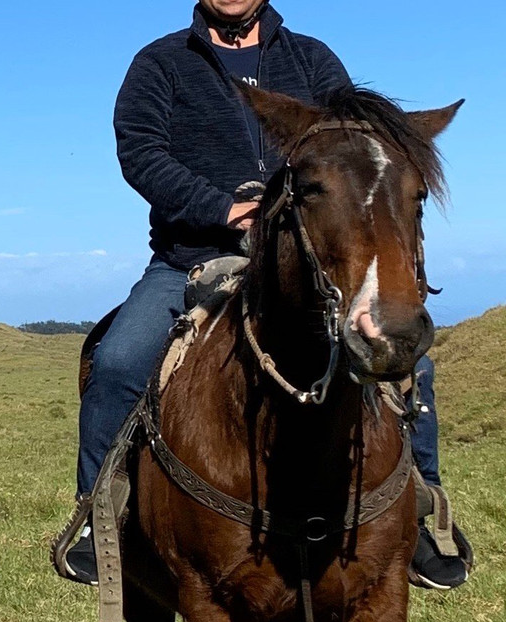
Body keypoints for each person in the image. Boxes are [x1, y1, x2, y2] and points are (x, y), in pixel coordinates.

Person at [62, 0, 472, 589]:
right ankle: (99, 522)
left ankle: (422, 514)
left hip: (301, 262)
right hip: (193, 258)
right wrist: (223, 209)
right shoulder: (160, 63)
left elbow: (351, 146)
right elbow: (141, 153)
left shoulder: (312, 58)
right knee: (119, 359)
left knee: (410, 364)